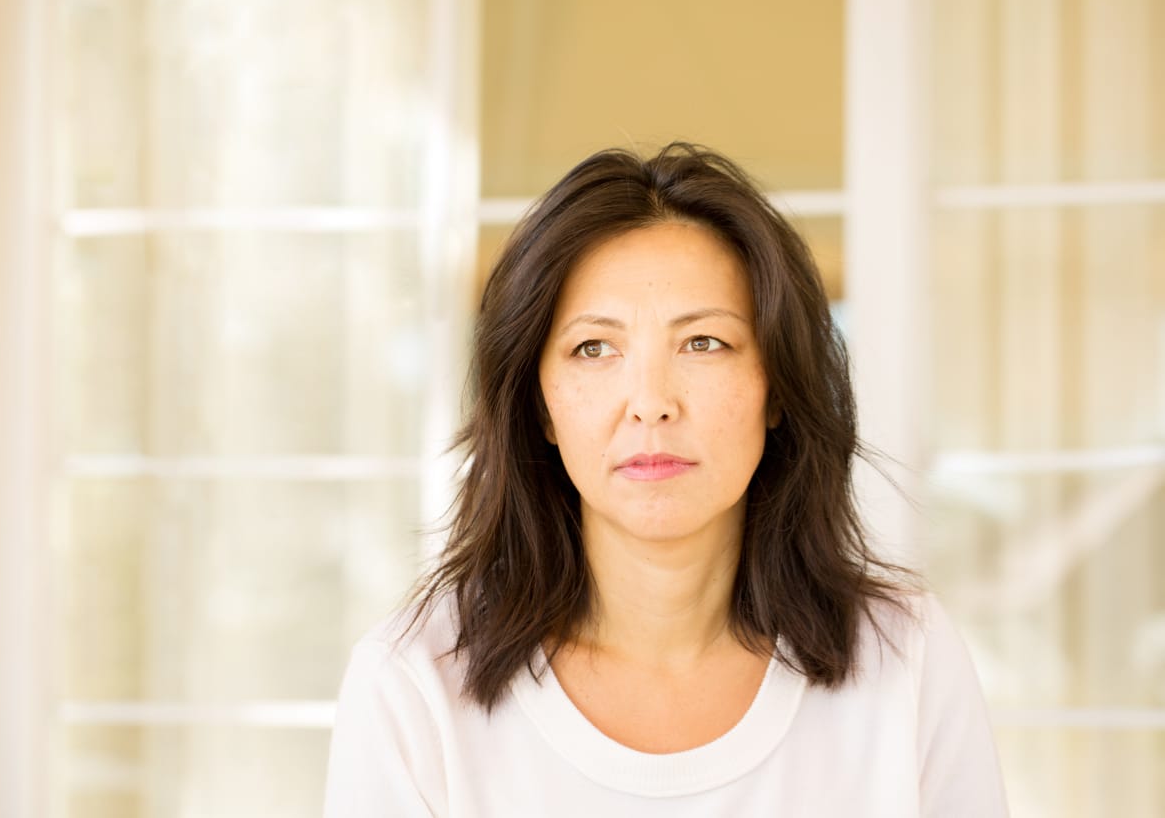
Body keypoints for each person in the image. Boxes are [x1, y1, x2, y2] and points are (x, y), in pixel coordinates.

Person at [323, 143, 1007, 816]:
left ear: (777, 388)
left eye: (703, 342)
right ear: (540, 405)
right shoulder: (414, 689)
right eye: (595, 348)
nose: (651, 401)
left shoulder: (906, 661)